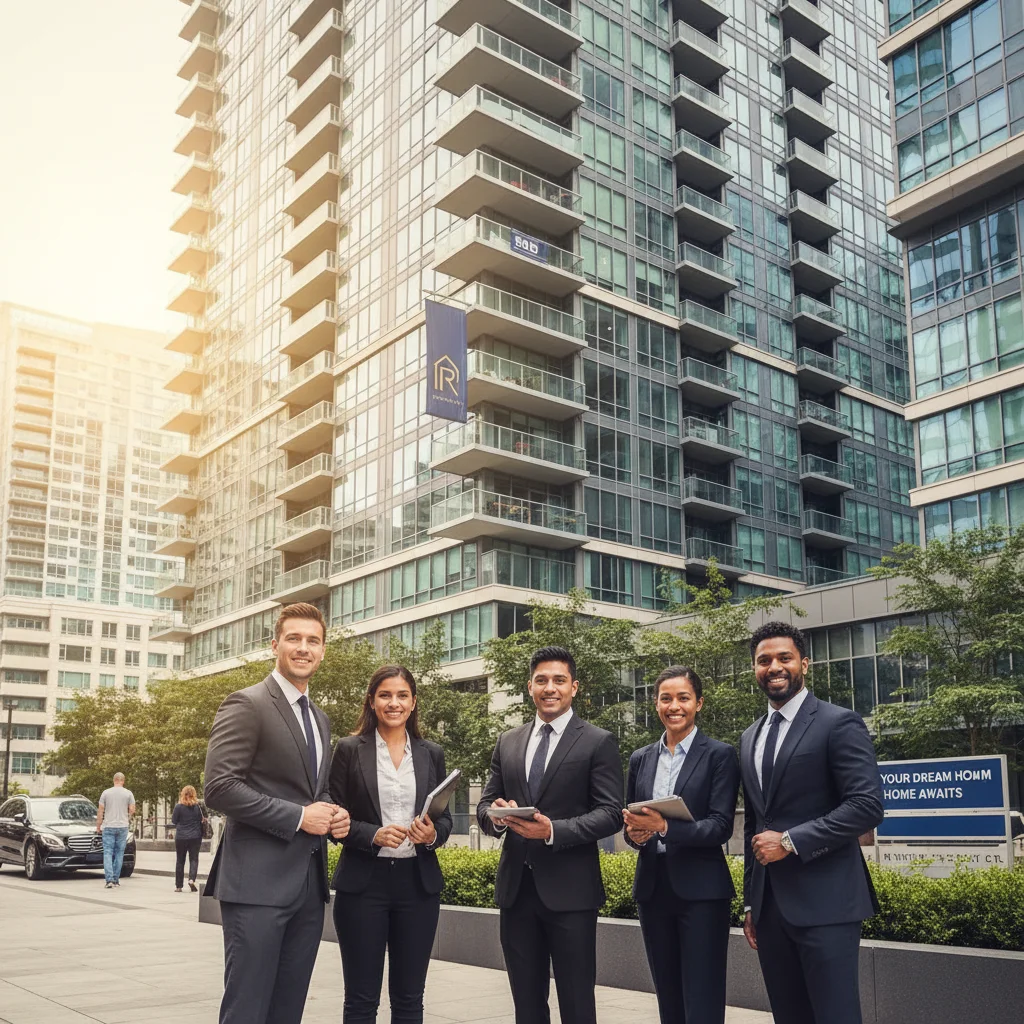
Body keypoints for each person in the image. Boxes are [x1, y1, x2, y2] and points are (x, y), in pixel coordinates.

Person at [203, 602, 351, 1024]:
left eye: (313, 641)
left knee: (288, 1011)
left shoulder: (319, 719)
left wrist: (332, 815)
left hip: (307, 887)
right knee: (247, 1010)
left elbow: (311, 791)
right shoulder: (246, 703)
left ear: (323, 651)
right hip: (256, 888)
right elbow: (220, 788)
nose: (303, 648)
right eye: (294, 638)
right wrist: (301, 817)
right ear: (275, 645)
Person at [740, 621, 884, 1024]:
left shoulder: (839, 723)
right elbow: (755, 824)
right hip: (770, 911)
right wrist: (752, 902)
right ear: (754, 669)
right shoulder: (750, 736)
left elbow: (867, 805)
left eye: (784, 657)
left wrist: (789, 841)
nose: (774, 667)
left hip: (828, 905)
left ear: (804, 662)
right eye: (763, 660)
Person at [476, 645, 622, 1024]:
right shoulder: (508, 741)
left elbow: (610, 815)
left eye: (559, 680)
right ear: (530, 686)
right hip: (517, 891)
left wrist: (553, 831)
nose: (550, 687)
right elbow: (485, 804)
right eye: (542, 680)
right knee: (526, 1005)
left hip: (572, 894)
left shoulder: (597, 741)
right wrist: (497, 818)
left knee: (576, 1003)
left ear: (574, 687)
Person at [328, 665, 454, 1023]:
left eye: (402, 695)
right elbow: (332, 819)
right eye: (385, 695)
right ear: (371, 701)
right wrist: (372, 834)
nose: (393, 703)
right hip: (363, 885)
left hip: (418, 885)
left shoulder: (432, 753)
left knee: (410, 999)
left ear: (413, 702)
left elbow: (444, 818)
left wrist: (432, 835)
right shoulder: (350, 750)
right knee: (361, 999)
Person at [623, 666, 740, 1024]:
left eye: (683, 698)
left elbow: (720, 827)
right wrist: (636, 833)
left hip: (703, 893)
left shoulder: (720, 755)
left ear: (699, 703)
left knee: (702, 997)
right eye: (666, 698)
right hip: (653, 888)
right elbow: (630, 820)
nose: (674, 706)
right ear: (656, 704)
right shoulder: (640, 758)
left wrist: (664, 827)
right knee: (668, 997)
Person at [96, 772, 135, 889]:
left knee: (107, 852)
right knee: (119, 853)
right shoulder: (129, 793)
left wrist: (98, 825)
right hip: (123, 826)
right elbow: (132, 810)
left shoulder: (106, 793)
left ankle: (108, 880)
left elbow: (100, 811)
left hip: (108, 826)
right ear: (123, 781)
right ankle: (116, 879)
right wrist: (127, 817)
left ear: (114, 780)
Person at [171, 784, 207, 892]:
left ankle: (178, 886)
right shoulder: (199, 806)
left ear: (183, 793)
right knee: (194, 859)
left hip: (181, 836)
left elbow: (174, 821)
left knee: (180, 861)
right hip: (195, 836)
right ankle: (191, 879)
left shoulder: (178, 807)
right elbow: (204, 818)